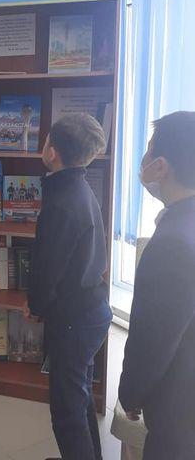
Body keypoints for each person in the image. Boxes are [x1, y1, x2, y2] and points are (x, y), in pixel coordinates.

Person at [24, 113, 112, 460]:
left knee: (66, 411)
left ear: (52, 152)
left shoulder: (61, 203)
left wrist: (36, 304)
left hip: (76, 318)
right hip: (91, 310)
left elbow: (48, 267)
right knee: (80, 397)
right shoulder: (80, 188)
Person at [119, 111, 195, 460]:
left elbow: (153, 339)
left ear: (161, 166)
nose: (143, 160)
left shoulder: (173, 244)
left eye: (148, 151)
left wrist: (131, 393)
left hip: (179, 408)